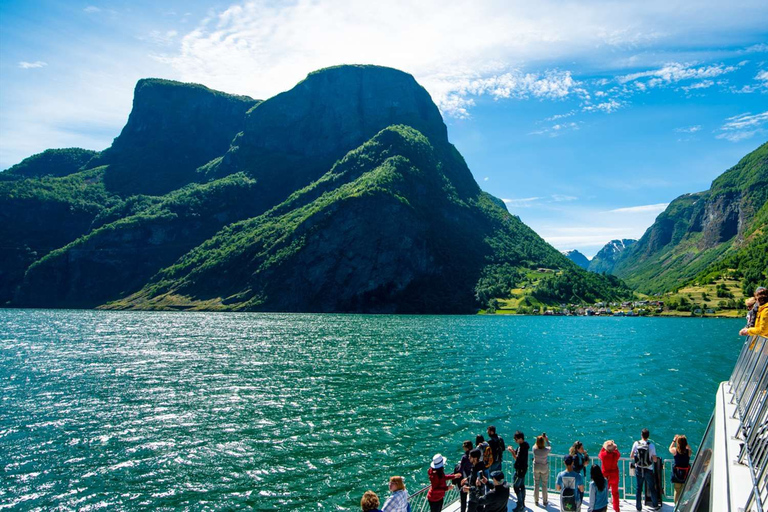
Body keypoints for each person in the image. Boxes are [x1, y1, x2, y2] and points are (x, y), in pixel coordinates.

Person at [631, 428, 660, 511]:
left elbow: (631, 456)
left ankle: (638, 507)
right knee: (652, 487)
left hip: (639, 468)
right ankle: (655, 505)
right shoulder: (651, 445)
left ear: (641, 435)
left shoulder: (636, 443)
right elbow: (654, 459)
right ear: (648, 436)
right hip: (648, 469)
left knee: (638, 488)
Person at [507, 430, 530, 512]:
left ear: (520, 439)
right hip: (524, 469)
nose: (515, 440)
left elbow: (517, 459)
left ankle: (520, 504)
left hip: (519, 470)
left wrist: (512, 452)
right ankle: (522, 503)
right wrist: (514, 451)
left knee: (516, 487)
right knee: (522, 486)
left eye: (516, 439)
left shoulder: (521, 448)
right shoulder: (525, 445)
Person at [598, 439, 621, 512]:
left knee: (605, 493)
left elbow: (600, 454)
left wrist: (604, 447)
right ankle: (616, 509)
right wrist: (615, 448)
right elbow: (618, 453)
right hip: (614, 475)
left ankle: (604, 508)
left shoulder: (603, 455)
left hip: (605, 475)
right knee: (615, 493)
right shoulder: (615, 454)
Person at [669, 434, 693, 504]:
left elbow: (670, 448)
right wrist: (685, 443)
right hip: (685, 475)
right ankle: (682, 504)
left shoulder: (675, 450)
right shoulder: (688, 451)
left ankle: (676, 505)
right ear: (685, 443)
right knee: (684, 490)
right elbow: (690, 449)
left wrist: (674, 440)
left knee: (677, 490)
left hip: (677, 474)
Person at [533, 433, 552, 507]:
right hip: (544, 467)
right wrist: (546, 440)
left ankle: (536, 500)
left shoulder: (534, 449)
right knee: (544, 484)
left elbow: (535, 444)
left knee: (536, 484)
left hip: (536, 467)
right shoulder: (546, 450)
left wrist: (539, 439)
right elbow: (550, 446)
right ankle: (545, 501)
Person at [457, 441, 475, 512]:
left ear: (467, 448)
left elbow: (460, 469)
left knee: (463, 499)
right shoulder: (475, 454)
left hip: (466, 479)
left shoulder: (464, 457)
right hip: (473, 478)